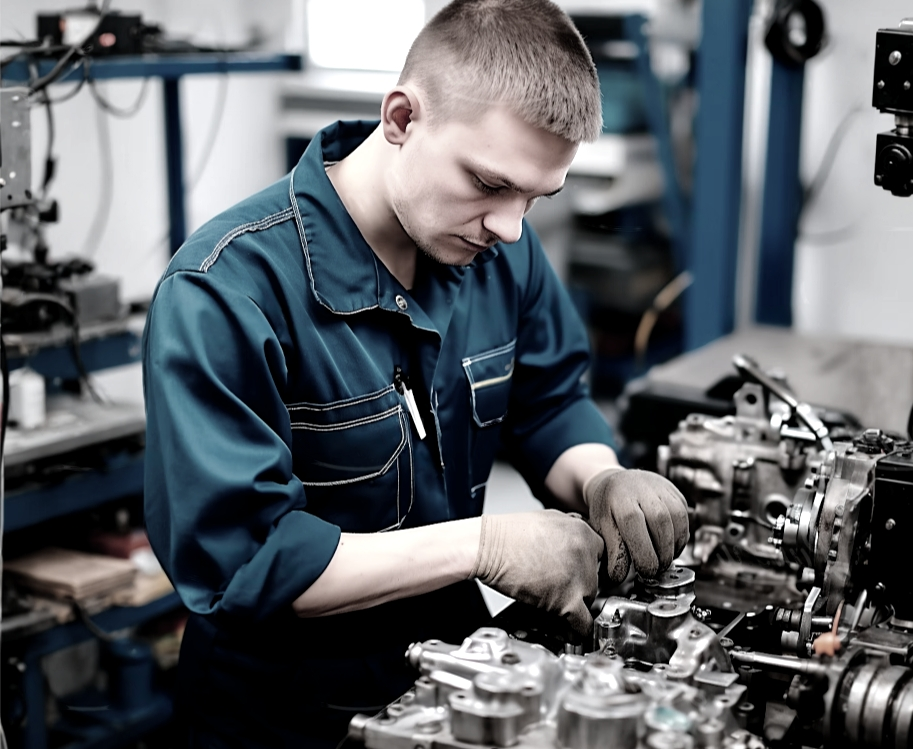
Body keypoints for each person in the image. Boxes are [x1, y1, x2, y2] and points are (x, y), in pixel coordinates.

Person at [143, 0, 689, 745]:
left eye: (536, 197)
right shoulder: (225, 291)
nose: (511, 226)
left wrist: (600, 477)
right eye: (490, 183)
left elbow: (548, 398)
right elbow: (251, 561)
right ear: (400, 117)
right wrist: (485, 544)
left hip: (454, 674)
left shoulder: (502, 250)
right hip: (287, 708)